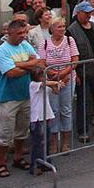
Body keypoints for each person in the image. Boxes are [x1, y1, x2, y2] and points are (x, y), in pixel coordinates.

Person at [0, 19, 44, 177]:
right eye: (19, 33)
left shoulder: (26, 45)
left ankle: (18, 157)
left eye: (24, 32)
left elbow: (38, 63)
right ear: (10, 33)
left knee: (22, 130)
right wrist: (29, 65)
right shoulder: (1, 51)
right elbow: (11, 73)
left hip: (25, 94)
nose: (23, 36)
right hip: (8, 97)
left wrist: (19, 64)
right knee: (5, 132)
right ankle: (1, 163)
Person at [67, 2, 94, 142]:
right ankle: (83, 130)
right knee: (83, 101)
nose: (88, 15)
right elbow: (72, 54)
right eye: (86, 13)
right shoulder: (72, 30)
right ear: (78, 13)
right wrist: (76, 74)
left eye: (89, 12)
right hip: (83, 71)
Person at [34, 18, 78, 152]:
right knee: (53, 110)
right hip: (51, 80)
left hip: (68, 79)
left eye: (63, 26)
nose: (62, 29)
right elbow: (41, 62)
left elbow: (75, 60)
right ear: (52, 29)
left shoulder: (70, 40)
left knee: (66, 110)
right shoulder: (44, 43)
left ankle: (65, 142)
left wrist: (63, 73)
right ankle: (53, 142)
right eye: (59, 26)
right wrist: (52, 73)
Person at [28, 69, 58, 176]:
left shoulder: (45, 85)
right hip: (37, 118)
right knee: (37, 143)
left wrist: (56, 85)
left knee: (47, 140)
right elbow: (45, 84)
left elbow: (55, 91)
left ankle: (45, 162)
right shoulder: (33, 85)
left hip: (46, 116)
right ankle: (34, 165)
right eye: (42, 76)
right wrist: (55, 82)